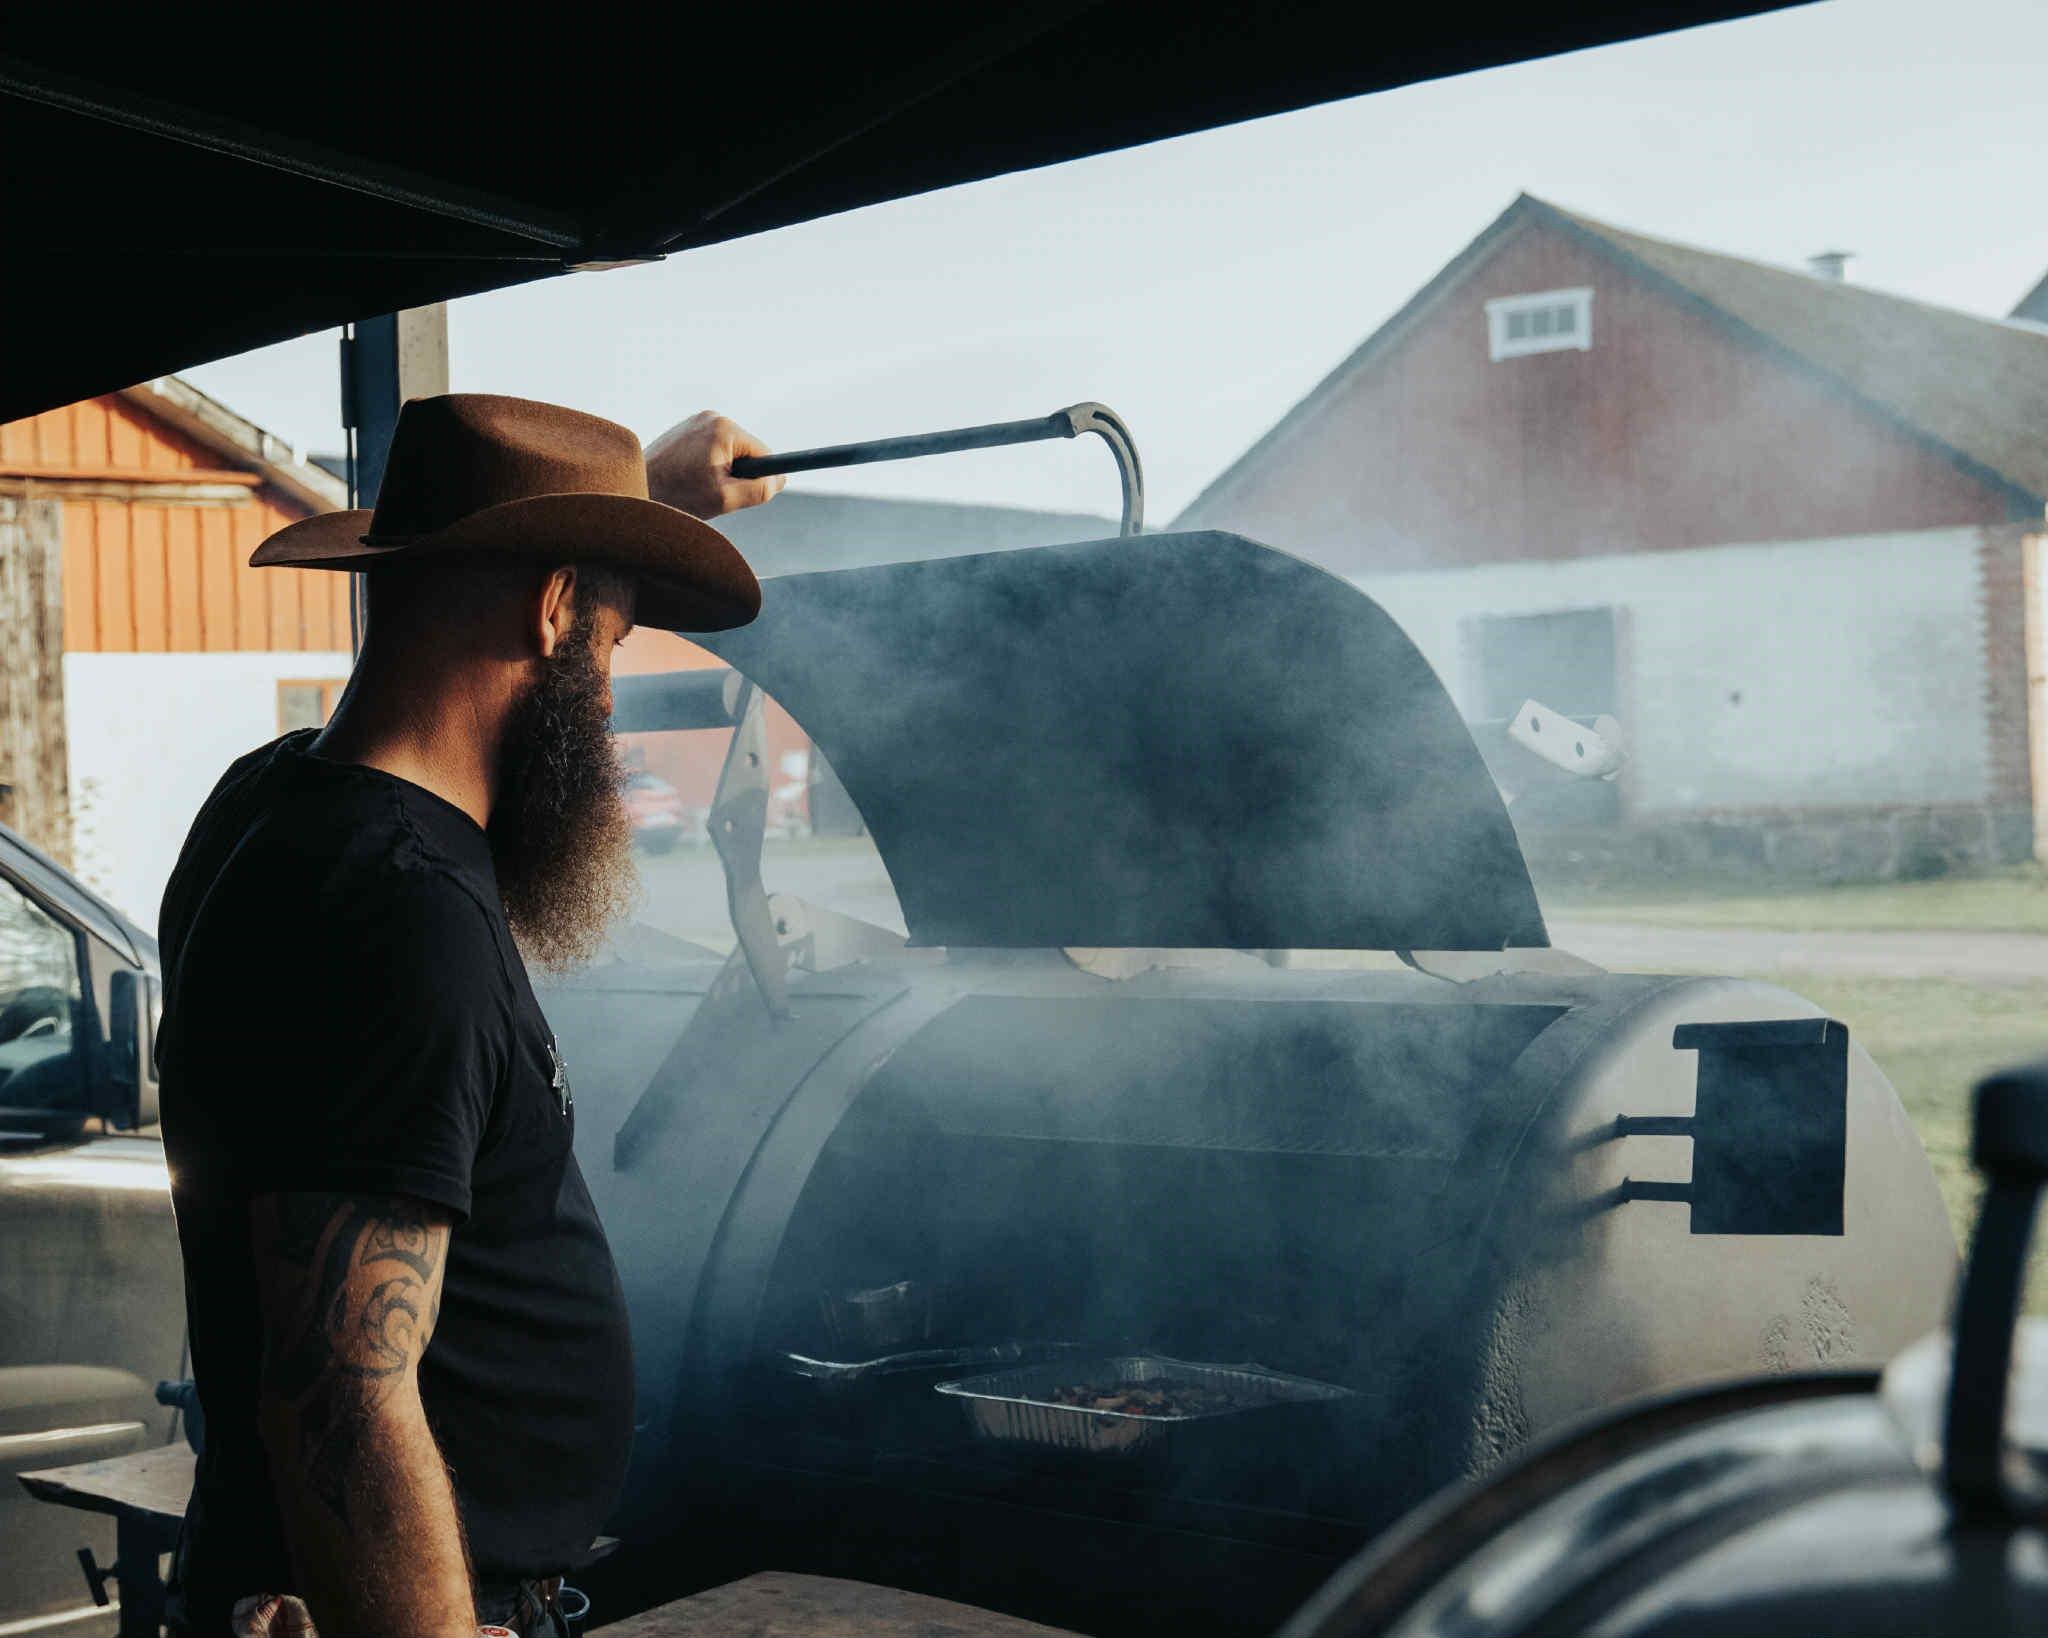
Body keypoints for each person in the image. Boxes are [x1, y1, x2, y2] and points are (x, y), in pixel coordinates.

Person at [155, 394, 784, 1637]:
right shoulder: (402, 912)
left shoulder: (269, 807)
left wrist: (632, 501)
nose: (604, 700)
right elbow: (346, 1394)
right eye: (608, 644)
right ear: (554, 612)